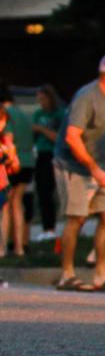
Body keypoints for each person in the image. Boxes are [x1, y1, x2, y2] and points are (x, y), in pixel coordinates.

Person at [55, 52, 105, 292]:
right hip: (73, 164)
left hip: (100, 164)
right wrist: (93, 169)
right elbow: (72, 137)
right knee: (77, 218)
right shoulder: (87, 96)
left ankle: (102, 274)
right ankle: (67, 275)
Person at [31, 84, 62, 241]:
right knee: (43, 191)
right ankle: (47, 227)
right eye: (39, 99)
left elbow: (60, 137)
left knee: (56, 192)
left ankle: (55, 226)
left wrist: (42, 130)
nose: (41, 102)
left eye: (43, 99)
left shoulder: (59, 114)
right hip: (41, 154)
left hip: (56, 154)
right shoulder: (37, 114)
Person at [0, 99, 26, 258]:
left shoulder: (5, 141)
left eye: (3, 122)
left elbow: (15, 167)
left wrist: (11, 158)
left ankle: (4, 249)